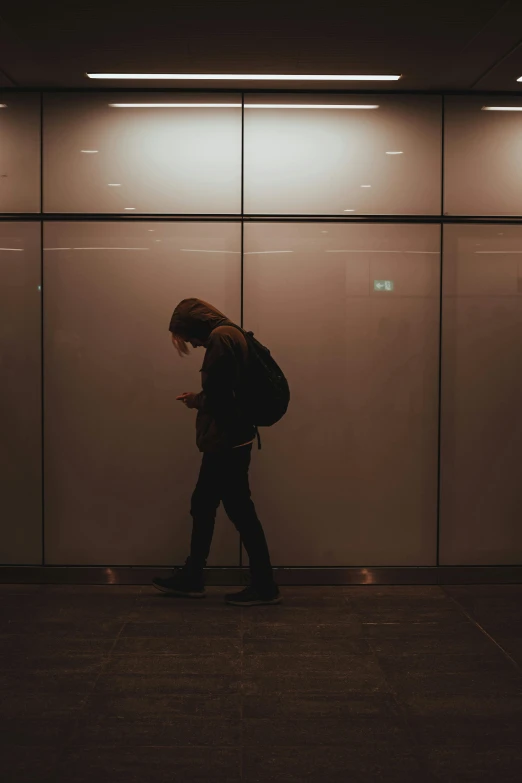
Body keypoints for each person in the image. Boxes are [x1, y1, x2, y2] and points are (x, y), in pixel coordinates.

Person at [152, 298, 281, 606]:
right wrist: (200, 397)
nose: (194, 345)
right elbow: (226, 390)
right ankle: (194, 575)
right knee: (205, 504)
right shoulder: (229, 334)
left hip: (227, 441)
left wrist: (197, 400)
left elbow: (220, 396)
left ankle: (262, 584)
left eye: (190, 338)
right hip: (229, 438)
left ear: (196, 327)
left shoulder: (222, 339)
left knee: (238, 509)